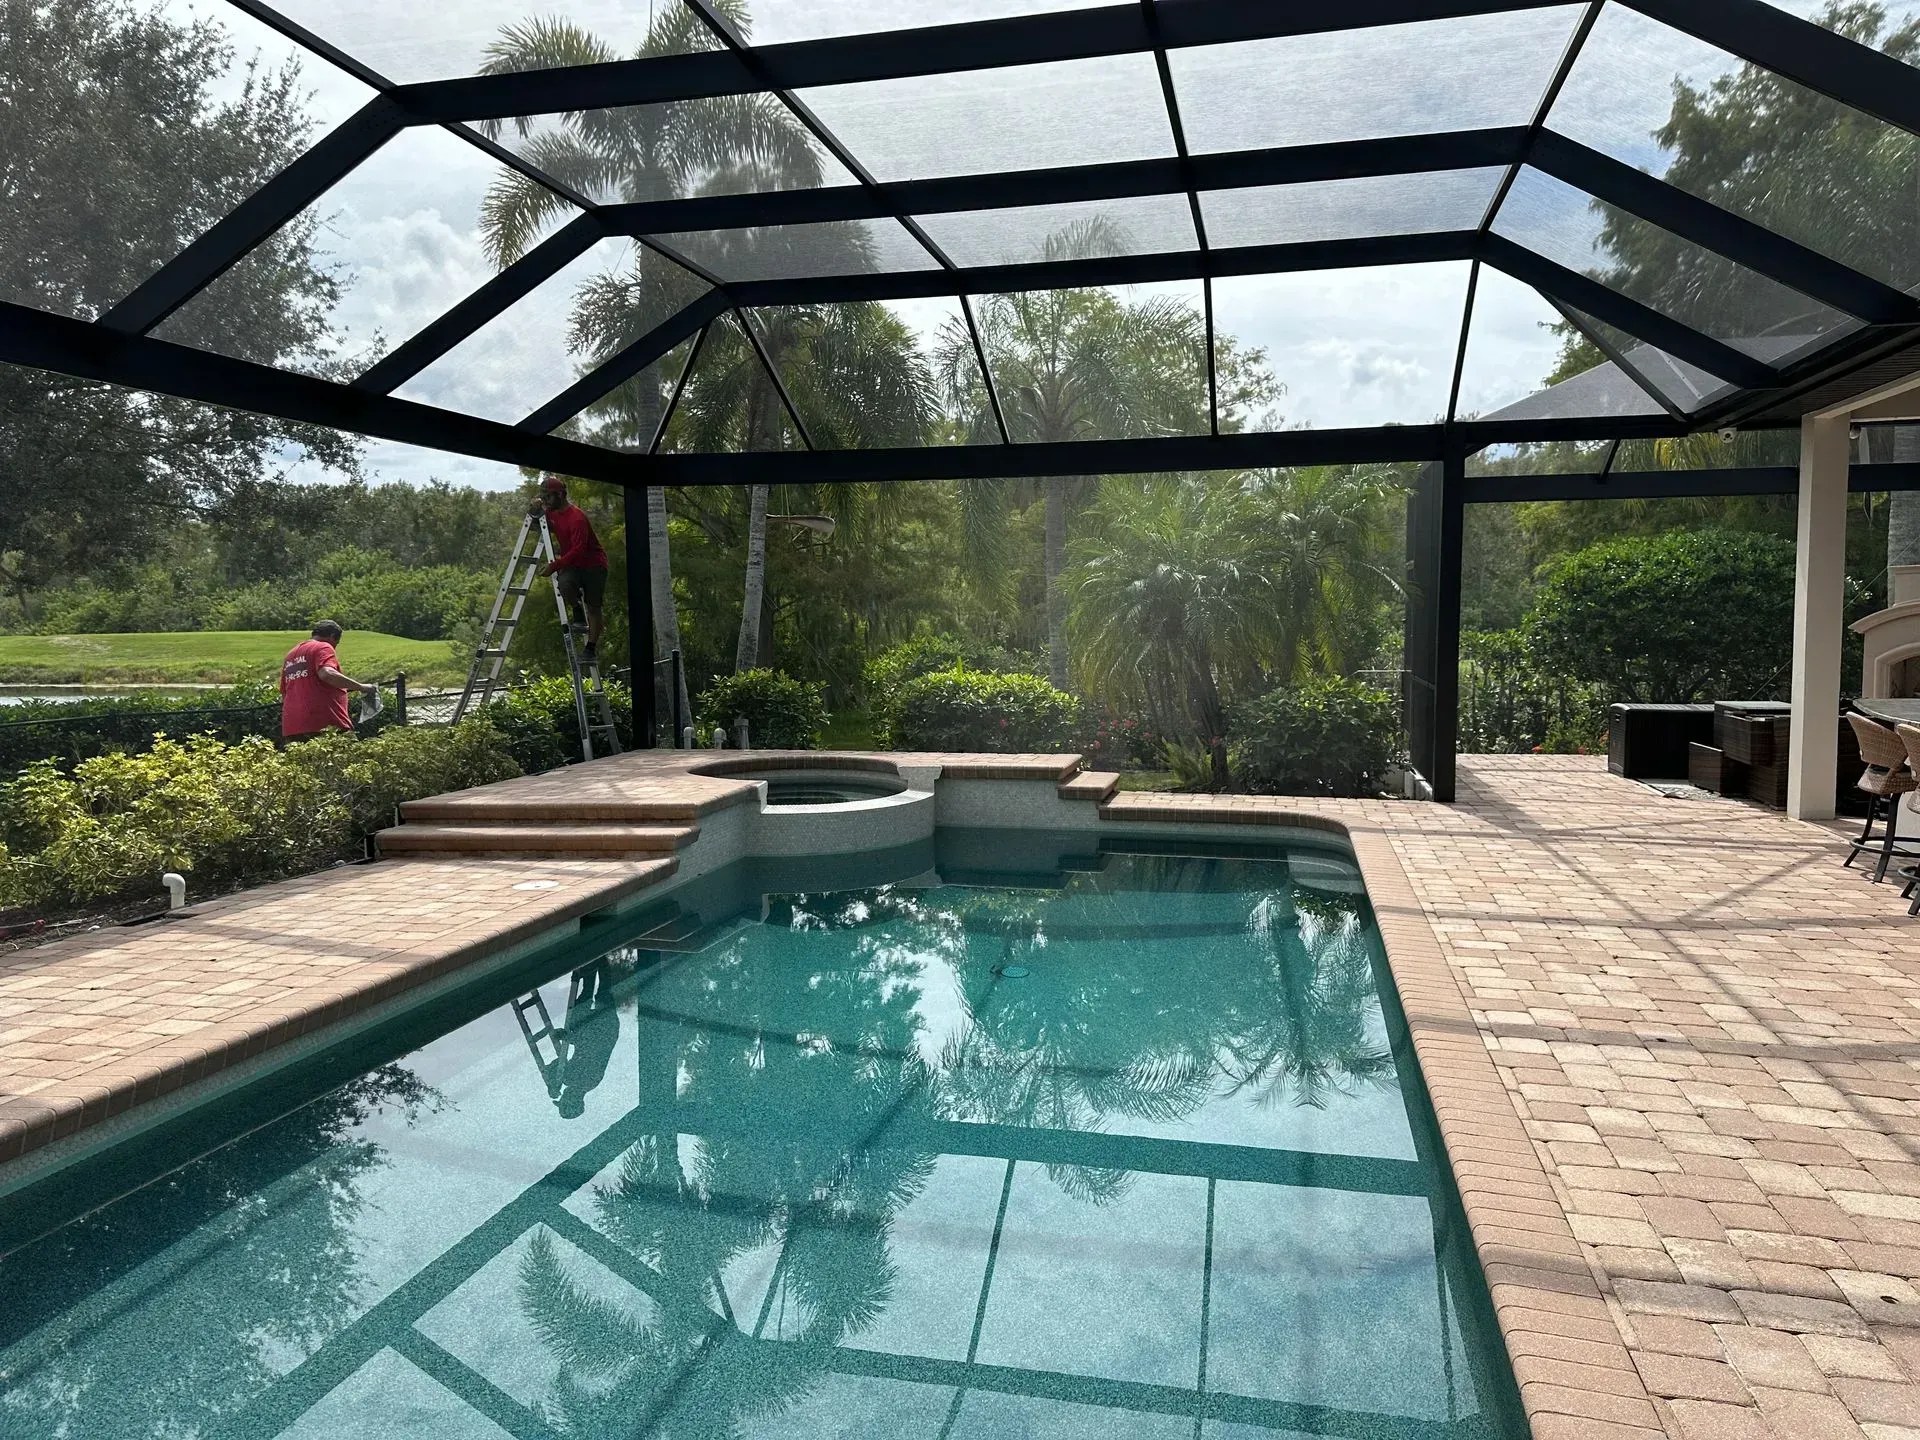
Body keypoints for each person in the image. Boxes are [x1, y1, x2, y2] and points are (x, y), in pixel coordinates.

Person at [533, 475, 608, 661]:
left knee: (594, 607)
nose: (545, 502)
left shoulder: (577, 518)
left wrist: (554, 566)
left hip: (593, 565)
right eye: (543, 498)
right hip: (573, 564)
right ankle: (576, 608)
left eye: (548, 497)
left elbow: (579, 550)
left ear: (560, 495)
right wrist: (534, 508)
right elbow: (538, 521)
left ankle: (591, 648)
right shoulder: (552, 512)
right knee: (564, 584)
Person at [280, 620, 376, 742]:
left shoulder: (291, 655)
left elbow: (284, 693)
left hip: (293, 726)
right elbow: (327, 674)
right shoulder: (323, 646)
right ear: (332, 636)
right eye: (337, 643)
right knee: (352, 757)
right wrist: (362, 687)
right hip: (326, 723)